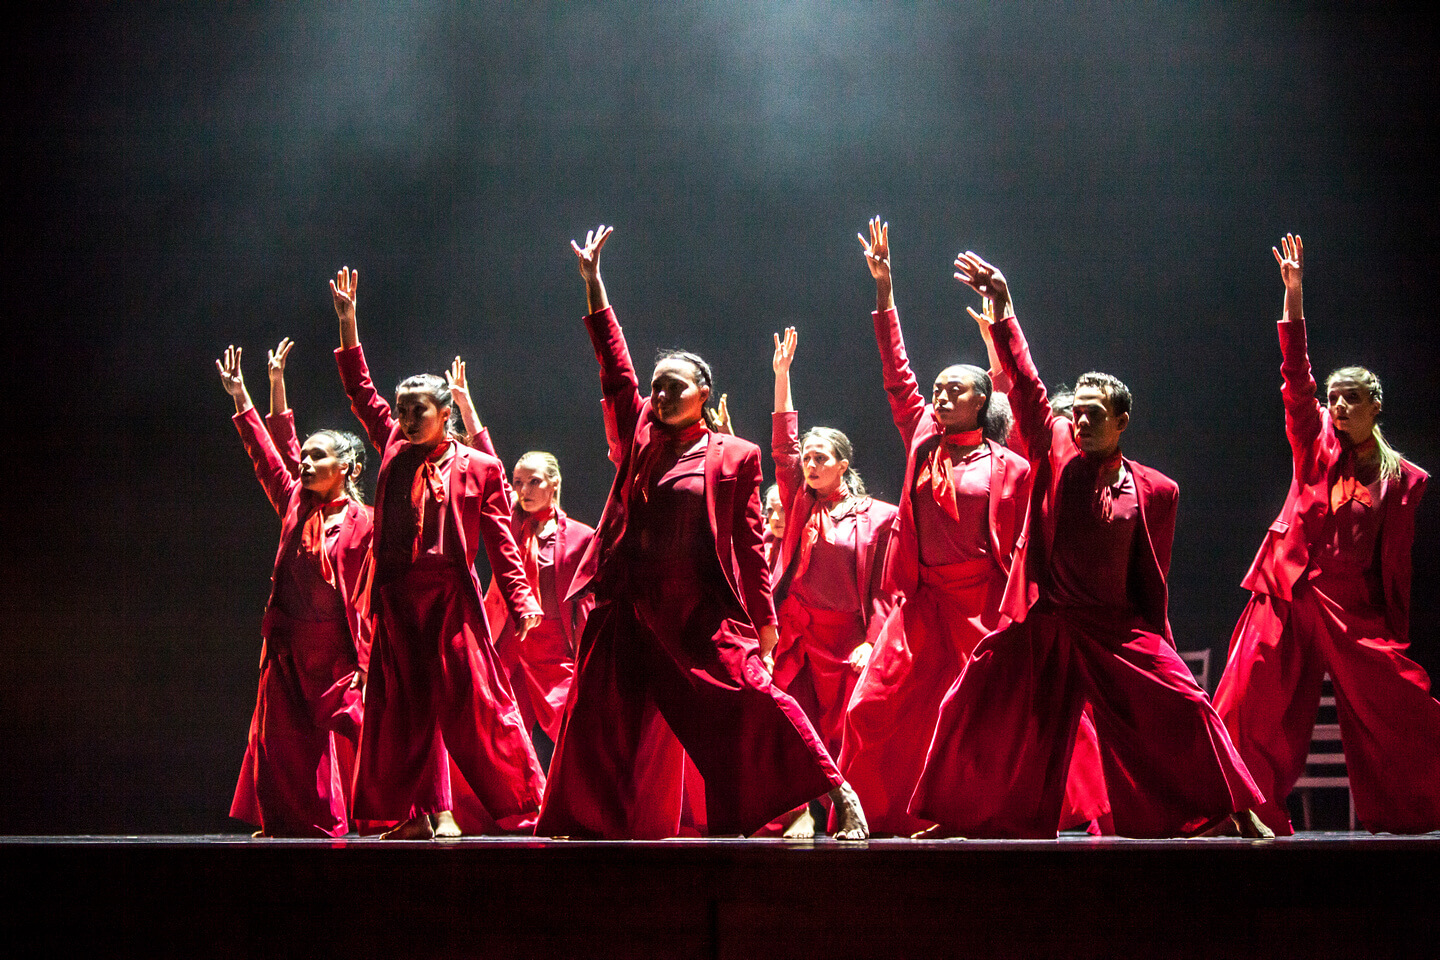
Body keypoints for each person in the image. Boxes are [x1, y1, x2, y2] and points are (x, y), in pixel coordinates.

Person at [910, 250, 1270, 839]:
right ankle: (960, 816)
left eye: (1094, 415)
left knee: (1186, 704)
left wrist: (1153, 636)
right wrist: (1003, 310)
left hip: (1115, 626)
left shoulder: (1156, 491)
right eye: (1075, 413)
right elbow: (1024, 382)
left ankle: (1227, 808)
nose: (1080, 422)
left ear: (1122, 420)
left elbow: (1150, 572)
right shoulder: (1053, 446)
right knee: (974, 699)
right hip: (1047, 620)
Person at [535, 225, 868, 840]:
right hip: (630, 605)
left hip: (695, 607)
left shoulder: (734, 456)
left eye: (674, 387)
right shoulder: (641, 438)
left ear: (704, 395)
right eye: (656, 387)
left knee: (751, 696)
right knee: (597, 714)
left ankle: (835, 790)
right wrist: (593, 285)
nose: (659, 396)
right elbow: (615, 370)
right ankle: (588, 828)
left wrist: (765, 622)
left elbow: (747, 546)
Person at [838, 218, 1091, 837]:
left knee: (985, 715)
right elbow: (898, 377)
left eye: (955, 390)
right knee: (873, 708)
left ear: (981, 402)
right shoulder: (922, 442)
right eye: (938, 390)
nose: (940, 397)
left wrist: (1003, 318)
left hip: (983, 602)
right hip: (923, 602)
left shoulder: (1011, 464)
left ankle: (989, 810)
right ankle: (870, 811)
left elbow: (1022, 391)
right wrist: (884, 294)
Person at [1213, 234, 1440, 835]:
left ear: (1377, 406)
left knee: (1399, 699)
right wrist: (1294, 298)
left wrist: (1388, 627)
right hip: (1287, 588)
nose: (1338, 406)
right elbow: (1297, 377)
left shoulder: (1402, 480)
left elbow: (1394, 563)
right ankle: (1240, 810)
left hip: (1348, 606)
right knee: (1247, 698)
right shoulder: (1313, 444)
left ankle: (1417, 807)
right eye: (1334, 398)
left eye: (1351, 399)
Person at [328, 266, 545, 840]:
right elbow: (360, 394)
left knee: (475, 701)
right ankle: (425, 815)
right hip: (399, 597)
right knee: (403, 711)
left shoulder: (480, 467)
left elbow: (500, 539)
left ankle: (526, 804)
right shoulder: (395, 447)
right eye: (401, 409)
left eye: (417, 409)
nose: (404, 418)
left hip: (450, 596)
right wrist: (349, 326)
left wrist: (522, 600)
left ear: (445, 412)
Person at [216, 342, 371, 838]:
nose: (304, 463)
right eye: (304, 456)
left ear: (346, 467)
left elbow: (369, 591)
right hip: (285, 646)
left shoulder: (365, 521)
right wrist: (245, 396)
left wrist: (369, 659)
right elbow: (269, 455)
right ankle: (298, 827)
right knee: (281, 742)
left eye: (317, 457)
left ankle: (409, 809)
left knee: (365, 724)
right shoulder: (294, 502)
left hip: (334, 650)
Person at [765, 326, 899, 836]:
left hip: (847, 638)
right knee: (788, 720)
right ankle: (798, 808)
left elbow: (887, 589)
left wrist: (872, 640)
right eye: (808, 457)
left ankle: (847, 805)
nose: (810, 463)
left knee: (843, 728)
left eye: (821, 457)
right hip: (799, 628)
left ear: (843, 464)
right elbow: (782, 447)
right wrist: (782, 379)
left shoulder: (880, 517)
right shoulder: (800, 502)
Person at [444, 357, 596, 761]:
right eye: (517, 482)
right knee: (500, 729)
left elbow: (588, 603)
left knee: (574, 727)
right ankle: (510, 812)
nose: (523, 489)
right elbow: (487, 458)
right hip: (510, 640)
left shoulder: (581, 536)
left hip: (554, 646)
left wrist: (587, 654)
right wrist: (465, 407)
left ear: (554, 484)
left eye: (533, 482)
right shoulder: (508, 521)